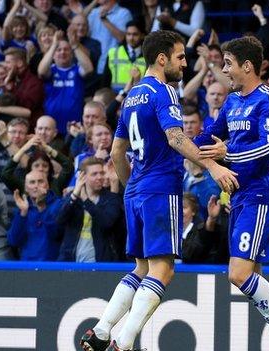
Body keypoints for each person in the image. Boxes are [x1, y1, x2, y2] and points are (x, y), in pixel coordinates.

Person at [80, 30, 237, 351]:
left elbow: (115, 152)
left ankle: (101, 329)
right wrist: (213, 166)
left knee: (141, 267)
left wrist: (132, 188)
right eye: (180, 57)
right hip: (160, 187)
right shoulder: (164, 91)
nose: (184, 63)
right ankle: (122, 344)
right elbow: (176, 138)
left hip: (136, 190)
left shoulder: (133, 96)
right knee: (163, 271)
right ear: (162, 59)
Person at [194, 36, 269, 351]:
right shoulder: (233, 101)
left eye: (228, 64)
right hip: (239, 198)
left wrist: (228, 153)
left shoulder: (268, 98)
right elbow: (211, 134)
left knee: (237, 275)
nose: (224, 71)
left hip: (261, 195)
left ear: (247, 66)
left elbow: (268, 147)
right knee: (253, 280)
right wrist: (181, 139)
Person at [58, 157, 122, 262]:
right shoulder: (73, 197)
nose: (100, 177)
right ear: (83, 176)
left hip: (100, 262)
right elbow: (59, 220)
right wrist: (74, 195)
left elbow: (107, 223)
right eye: (94, 174)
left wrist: (86, 200)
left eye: (101, 173)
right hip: (70, 261)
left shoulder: (111, 199)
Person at [38, 29, 94, 135]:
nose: (62, 52)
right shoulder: (51, 71)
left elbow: (89, 69)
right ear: (53, 54)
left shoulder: (77, 70)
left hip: (74, 125)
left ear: (72, 54)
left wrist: (74, 45)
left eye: (66, 49)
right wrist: (54, 44)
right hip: (51, 127)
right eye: (59, 50)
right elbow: (41, 71)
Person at [7, 170, 63, 261]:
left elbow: (57, 234)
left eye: (40, 181)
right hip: (27, 267)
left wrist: (42, 208)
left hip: (53, 267)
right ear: (26, 188)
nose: (36, 186)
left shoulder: (59, 204)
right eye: (32, 182)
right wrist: (23, 213)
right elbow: (14, 241)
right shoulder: (22, 207)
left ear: (47, 185)